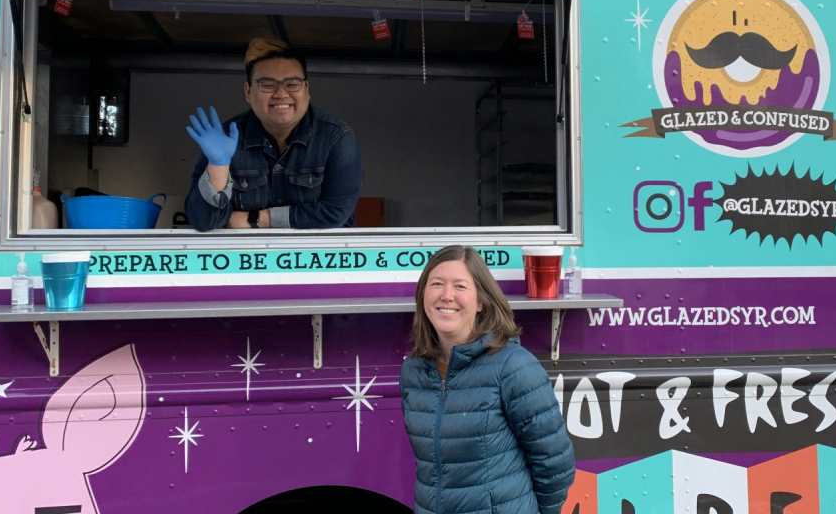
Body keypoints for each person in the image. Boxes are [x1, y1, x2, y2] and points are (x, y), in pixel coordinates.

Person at [401, 245, 575, 514]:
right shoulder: (414, 370)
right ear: (423, 295)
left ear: (481, 301)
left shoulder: (513, 366)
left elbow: (555, 464)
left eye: (460, 286)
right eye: (437, 284)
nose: (447, 296)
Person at [183, 38, 363, 231]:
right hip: (249, 257)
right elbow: (203, 221)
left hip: (321, 257)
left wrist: (256, 220)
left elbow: (334, 213)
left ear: (307, 90)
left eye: (292, 83)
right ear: (248, 91)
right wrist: (218, 166)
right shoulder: (225, 139)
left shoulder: (336, 137)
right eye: (267, 84)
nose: (281, 94)